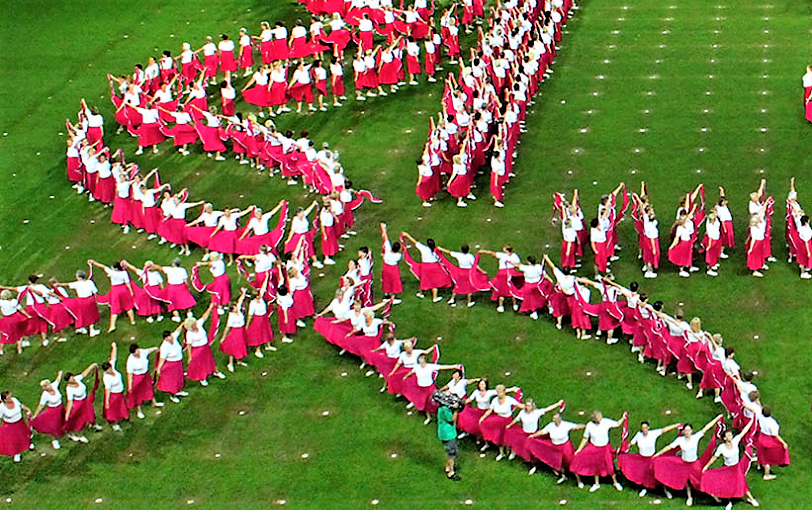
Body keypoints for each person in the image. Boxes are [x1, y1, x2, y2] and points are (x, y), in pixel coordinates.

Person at [652, 415, 723, 507]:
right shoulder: (680, 440)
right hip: (683, 464)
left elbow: (706, 428)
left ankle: (713, 495)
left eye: (689, 430)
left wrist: (716, 419)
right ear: (683, 432)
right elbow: (669, 446)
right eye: (685, 430)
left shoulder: (696, 437)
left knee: (700, 479)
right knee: (686, 480)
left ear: (691, 431)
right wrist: (658, 454)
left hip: (694, 464)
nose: (687, 432)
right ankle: (689, 497)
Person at [700, 417, 759, 509]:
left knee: (742, 482)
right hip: (727, 469)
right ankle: (729, 502)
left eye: (731, 435)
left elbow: (744, 431)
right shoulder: (721, 448)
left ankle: (751, 499)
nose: (731, 436)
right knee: (727, 486)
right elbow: (714, 458)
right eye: (728, 435)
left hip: (736, 467)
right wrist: (706, 467)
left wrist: (752, 421)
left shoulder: (735, 441)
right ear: (724, 438)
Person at [618, 421, 681, 497]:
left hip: (652, 458)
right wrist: (622, 448)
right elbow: (631, 443)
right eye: (643, 428)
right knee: (644, 474)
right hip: (642, 459)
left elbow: (664, 430)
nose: (644, 429)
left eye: (645, 428)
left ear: (648, 428)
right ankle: (645, 488)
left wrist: (675, 426)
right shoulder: (639, 435)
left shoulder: (653, 433)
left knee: (658, 474)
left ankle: (665, 490)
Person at [571, 411, 624, 492]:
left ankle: (615, 482)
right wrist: (579, 449)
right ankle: (596, 484)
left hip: (605, 448)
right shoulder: (590, 425)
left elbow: (617, 424)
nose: (600, 420)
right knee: (594, 465)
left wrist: (623, 417)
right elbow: (585, 438)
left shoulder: (605, 422)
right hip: (594, 448)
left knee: (609, 465)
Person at [503, 399, 564, 471]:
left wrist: (558, 404)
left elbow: (547, 409)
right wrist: (509, 425)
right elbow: (517, 419)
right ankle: (514, 452)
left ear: (532, 406)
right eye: (526, 405)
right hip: (524, 433)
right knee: (517, 441)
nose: (527, 407)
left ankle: (534, 466)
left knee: (532, 450)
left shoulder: (536, 413)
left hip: (533, 435)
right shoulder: (522, 412)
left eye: (529, 406)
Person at [527, 412, 586, 483]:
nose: (553, 420)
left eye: (555, 419)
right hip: (555, 447)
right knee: (558, 461)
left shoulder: (566, 425)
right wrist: (533, 436)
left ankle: (579, 480)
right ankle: (563, 476)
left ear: (559, 420)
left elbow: (577, 427)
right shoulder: (551, 426)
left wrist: (586, 426)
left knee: (570, 461)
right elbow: (542, 432)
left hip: (565, 446)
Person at [183, 303, 226, 386]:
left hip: (205, 347)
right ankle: (202, 378)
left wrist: (210, 307)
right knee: (200, 364)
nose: (196, 324)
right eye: (194, 324)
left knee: (210, 360)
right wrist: (190, 356)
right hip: (197, 350)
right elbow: (189, 346)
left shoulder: (199, 323)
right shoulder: (189, 334)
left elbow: (204, 317)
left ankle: (215, 372)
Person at [478, 384, 524, 460]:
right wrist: (483, 418)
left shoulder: (509, 399)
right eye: (498, 392)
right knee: (499, 437)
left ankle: (512, 452)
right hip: (498, 420)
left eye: (501, 392)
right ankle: (501, 453)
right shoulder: (495, 400)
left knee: (510, 437)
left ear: (504, 392)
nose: (499, 394)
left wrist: (528, 407)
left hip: (507, 421)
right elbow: (490, 410)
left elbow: (519, 405)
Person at [89, 259, 136, 332]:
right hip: (124, 290)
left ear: (115, 268)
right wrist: (131, 291)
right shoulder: (124, 273)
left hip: (115, 291)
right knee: (128, 306)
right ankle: (132, 321)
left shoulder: (111, 272)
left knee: (115, 308)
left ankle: (112, 326)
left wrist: (93, 262)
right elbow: (127, 283)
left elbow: (102, 266)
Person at [63, 363, 102, 443]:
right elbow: (70, 401)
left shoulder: (77, 379)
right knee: (80, 419)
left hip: (85, 401)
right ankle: (80, 435)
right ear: (68, 381)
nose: (73, 379)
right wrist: (68, 412)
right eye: (71, 379)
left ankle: (93, 424)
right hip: (78, 404)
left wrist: (92, 366)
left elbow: (84, 374)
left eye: (72, 377)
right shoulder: (69, 389)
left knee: (91, 413)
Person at [126, 343, 164, 419]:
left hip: (145, 375)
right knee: (138, 393)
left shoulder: (142, 352)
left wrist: (154, 348)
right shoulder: (130, 360)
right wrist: (130, 385)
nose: (137, 353)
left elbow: (147, 351)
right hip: (137, 377)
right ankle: (139, 410)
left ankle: (154, 402)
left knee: (149, 387)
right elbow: (129, 373)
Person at [30, 371, 65, 449]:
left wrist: (59, 374)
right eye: (44, 387)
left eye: (46, 386)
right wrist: (35, 414)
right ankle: (54, 440)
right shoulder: (45, 394)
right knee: (54, 426)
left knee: (62, 422)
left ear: (49, 384)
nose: (45, 388)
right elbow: (41, 405)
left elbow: (58, 380)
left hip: (60, 408)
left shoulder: (54, 386)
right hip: (53, 411)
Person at [754, 406, 789, 480]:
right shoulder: (772, 423)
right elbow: (775, 435)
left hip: (762, 437)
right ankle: (767, 474)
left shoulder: (760, 417)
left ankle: (759, 465)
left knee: (761, 453)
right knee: (767, 458)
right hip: (768, 440)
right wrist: (783, 443)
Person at [156, 328, 190, 403]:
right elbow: (162, 359)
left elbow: (178, 330)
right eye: (168, 337)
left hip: (178, 363)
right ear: (165, 339)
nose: (171, 338)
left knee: (179, 377)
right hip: (171, 365)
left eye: (170, 335)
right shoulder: (164, 347)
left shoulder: (174, 337)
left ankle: (179, 390)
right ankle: (173, 395)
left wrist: (183, 324)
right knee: (172, 380)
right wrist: (159, 368)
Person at [219, 289, 249, 372]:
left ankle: (239, 360)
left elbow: (240, 300)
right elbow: (227, 327)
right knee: (234, 348)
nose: (236, 307)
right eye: (235, 307)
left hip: (241, 331)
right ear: (232, 309)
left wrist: (243, 292)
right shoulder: (231, 316)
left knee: (241, 346)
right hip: (235, 332)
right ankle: (230, 363)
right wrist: (223, 337)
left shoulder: (238, 309)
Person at [101, 342, 129, 430]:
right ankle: (114, 423)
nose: (110, 370)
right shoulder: (106, 378)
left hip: (119, 393)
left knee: (120, 406)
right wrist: (107, 401)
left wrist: (114, 347)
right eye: (108, 369)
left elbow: (113, 357)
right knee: (113, 410)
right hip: (113, 395)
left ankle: (122, 416)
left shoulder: (112, 367)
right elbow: (108, 390)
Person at [0, 391, 32, 462]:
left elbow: (21, 406)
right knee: (14, 440)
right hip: (11, 425)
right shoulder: (1, 407)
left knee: (24, 434)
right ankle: (17, 453)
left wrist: (27, 409)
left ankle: (28, 444)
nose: (11, 398)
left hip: (20, 422)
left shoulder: (14, 400)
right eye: (9, 397)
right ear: (5, 400)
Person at [437, 400, 461, 481]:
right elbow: (452, 420)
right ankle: (451, 472)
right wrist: (456, 411)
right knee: (452, 453)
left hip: (443, 432)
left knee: (449, 451)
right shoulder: (446, 410)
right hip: (448, 434)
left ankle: (447, 467)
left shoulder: (441, 408)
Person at [380, 223, 403, 304]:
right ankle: (392, 299)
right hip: (393, 269)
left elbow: (385, 237)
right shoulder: (398, 256)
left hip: (386, 267)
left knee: (386, 281)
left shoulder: (387, 250)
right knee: (394, 282)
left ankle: (386, 295)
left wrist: (383, 228)